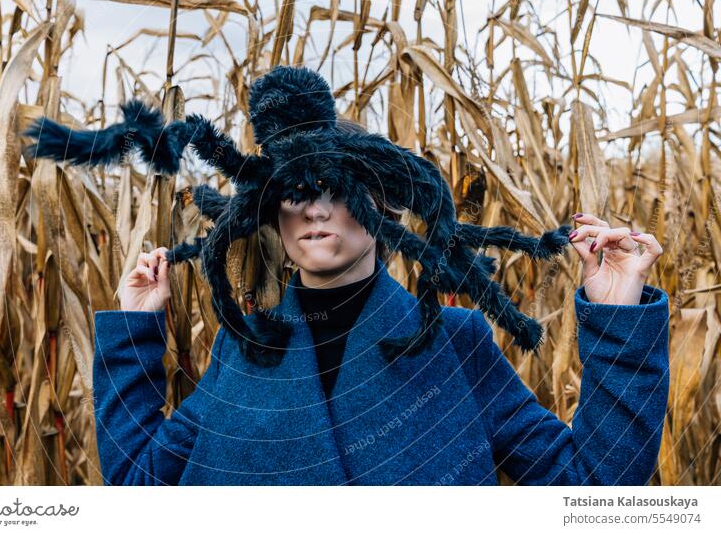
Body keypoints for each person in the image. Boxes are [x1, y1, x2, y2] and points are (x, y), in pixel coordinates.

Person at [93, 190, 668, 484]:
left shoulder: (455, 342)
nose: (316, 206)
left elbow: (595, 481)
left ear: (383, 209)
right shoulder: (241, 349)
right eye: (296, 190)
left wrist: (617, 316)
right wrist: (136, 330)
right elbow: (139, 481)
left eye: (339, 187)